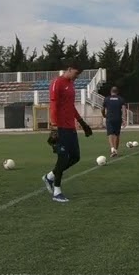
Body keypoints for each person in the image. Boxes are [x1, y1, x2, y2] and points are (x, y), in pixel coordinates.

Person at [43, 64, 92, 203]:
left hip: (71, 127)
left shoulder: (71, 84)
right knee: (63, 157)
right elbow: (53, 105)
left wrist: (82, 122)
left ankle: (50, 176)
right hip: (60, 128)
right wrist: (54, 127)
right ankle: (57, 191)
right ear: (69, 69)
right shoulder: (57, 83)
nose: (77, 77)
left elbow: (70, 106)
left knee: (76, 157)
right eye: (76, 73)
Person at [101, 86, 127, 157]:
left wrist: (104, 115)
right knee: (117, 134)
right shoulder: (121, 99)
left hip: (109, 118)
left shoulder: (106, 99)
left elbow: (102, 109)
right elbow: (124, 110)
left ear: (111, 92)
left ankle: (112, 149)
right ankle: (116, 150)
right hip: (118, 119)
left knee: (110, 133)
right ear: (117, 92)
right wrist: (124, 119)